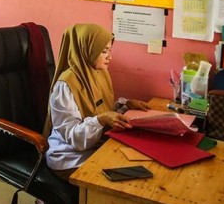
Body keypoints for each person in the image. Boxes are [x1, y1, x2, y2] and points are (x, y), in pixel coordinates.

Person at [45, 23, 149, 180]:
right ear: (87, 50)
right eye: (104, 51)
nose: (110, 57)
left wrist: (125, 105)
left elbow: (98, 108)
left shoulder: (98, 72)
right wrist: (101, 119)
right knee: (128, 176)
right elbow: (74, 138)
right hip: (69, 157)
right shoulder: (65, 86)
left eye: (110, 50)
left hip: (94, 147)